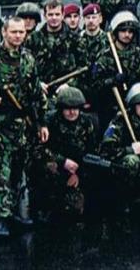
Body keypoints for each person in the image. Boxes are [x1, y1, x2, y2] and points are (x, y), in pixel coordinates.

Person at [0, 17, 49, 238]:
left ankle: (13, 212)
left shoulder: (28, 59)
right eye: (14, 32)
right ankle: (1, 218)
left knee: (17, 169)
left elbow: (35, 92)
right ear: (4, 32)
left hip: (22, 123)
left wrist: (41, 122)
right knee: (1, 169)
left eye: (22, 32)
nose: (18, 36)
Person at [98, 82, 140, 213]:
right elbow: (105, 150)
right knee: (132, 161)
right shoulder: (120, 120)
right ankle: (122, 203)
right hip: (120, 168)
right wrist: (130, 150)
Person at [37, 86, 96, 219]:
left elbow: (91, 152)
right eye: (68, 108)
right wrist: (62, 161)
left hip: (76, 170)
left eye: (75, 108)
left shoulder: (87, 122)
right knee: (47, 168)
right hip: (55, 167)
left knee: (74, 210)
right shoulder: (49, 120)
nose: (72, 112)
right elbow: (39, 149)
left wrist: (78, 174)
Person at [90, 11, 140, 126]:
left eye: (130, 31)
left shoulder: (139, 55)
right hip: (111, 108)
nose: (127, 34)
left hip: (134, 106)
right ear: (116, 32)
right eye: (123, 31)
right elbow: (95, 85)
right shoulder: (105, 57)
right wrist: (113, 80)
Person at [25, 0, 78, 89]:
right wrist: (37, 84)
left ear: (62, 15)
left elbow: (83, 67)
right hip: (41, 90)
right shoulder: (33, 39)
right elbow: (25, 67)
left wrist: (69, 85)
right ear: (45, 16)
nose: (54, 18)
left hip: (68, 91)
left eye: (57, 14)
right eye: (50, 14)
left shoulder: (75, 39)